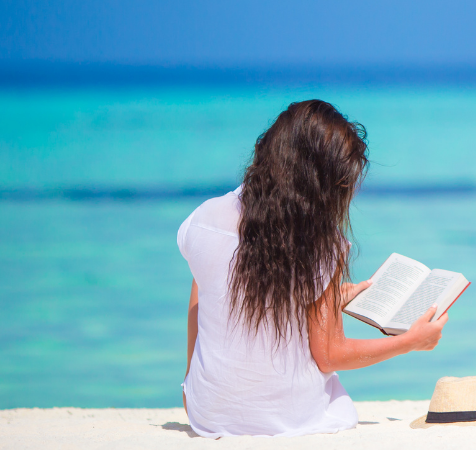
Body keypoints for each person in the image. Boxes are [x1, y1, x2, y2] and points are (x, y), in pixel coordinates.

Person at [176, 100, 448, 437]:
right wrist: (409, 341)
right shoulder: (320, 243)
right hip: (290, 418)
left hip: (204, 411)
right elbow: (329, 355)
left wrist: (191, 379)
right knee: (335, 395)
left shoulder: (202, 218)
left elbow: (205, 291)